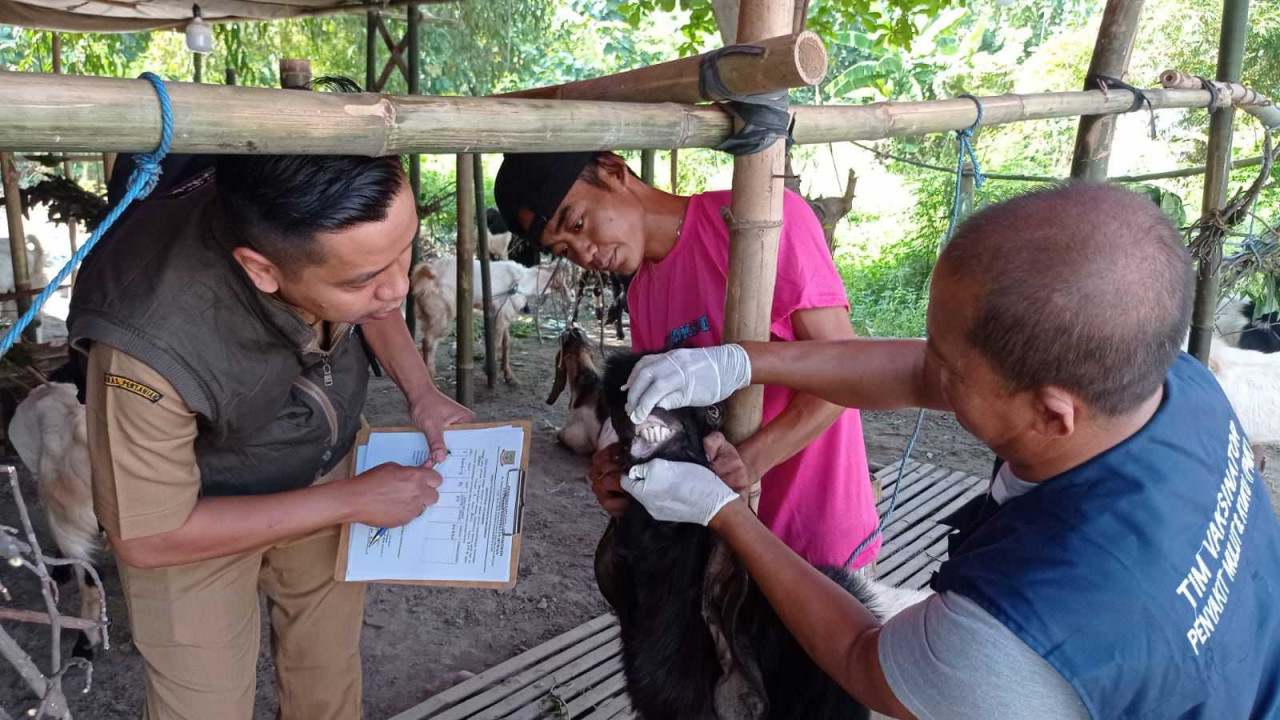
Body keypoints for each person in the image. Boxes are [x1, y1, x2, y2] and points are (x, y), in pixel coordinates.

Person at [616, 183, 1280, 719]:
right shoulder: (1172, 384)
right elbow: (914, 375)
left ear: (1050, 413)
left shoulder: (1020, 626)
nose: (929, 370)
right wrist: (742, 363)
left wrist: (728, 513)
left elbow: (861, 656)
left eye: (951, 366)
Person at [67, 154, 472, 720]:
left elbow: (376, 277)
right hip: (198, 519)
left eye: (404, 251)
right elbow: (149, 537)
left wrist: (421, 391)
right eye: (364, 280)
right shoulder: (145, 344)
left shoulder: (330, 234)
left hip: (322, 466)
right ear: (262, 270)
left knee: (327, 682)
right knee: (203, 708)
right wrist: (352, 500)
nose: (399, 289)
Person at [494, 151, 879, 568]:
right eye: (566, 249)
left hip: (817, 539)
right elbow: (668, 418)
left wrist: (752, 457)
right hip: (731, 554)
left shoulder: (764, 224)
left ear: (613, 170)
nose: (585, 253)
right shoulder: (642, 294)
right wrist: (620, 464)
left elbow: (851, 373)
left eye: (578, 224)